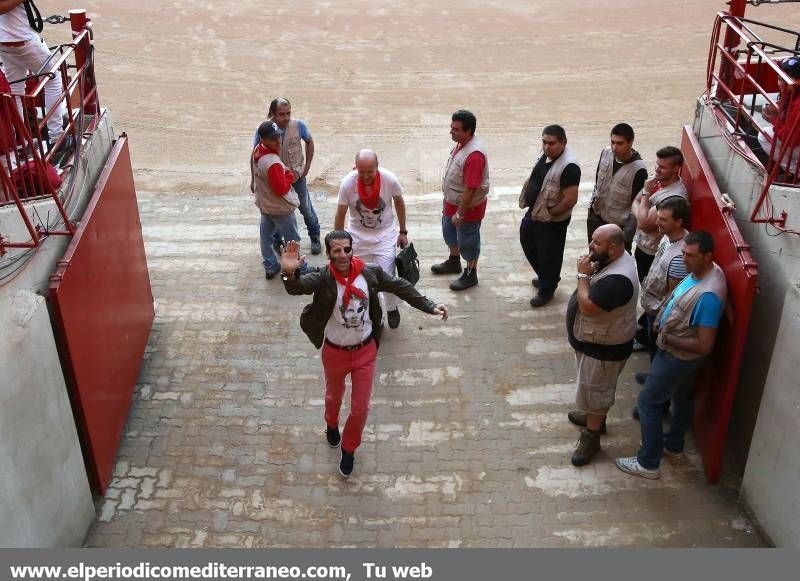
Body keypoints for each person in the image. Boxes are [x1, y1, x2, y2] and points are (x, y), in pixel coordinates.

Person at [280, 232, 448, 477]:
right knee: (333, 397)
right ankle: (331, 422)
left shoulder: (369, 273)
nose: (342, 255)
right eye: (336, 251)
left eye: (346, 249)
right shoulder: (322, 277)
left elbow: (400, 286)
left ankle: (348, 450)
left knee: (360, 409)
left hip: (365, 352)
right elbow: (297, 288)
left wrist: (430, 305)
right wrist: (289, 273)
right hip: (335, 352)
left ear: (352, 250)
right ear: (328, 254)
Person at [616, 230, 727, 479]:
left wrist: (666, 338)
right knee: (682, 396)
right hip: (679, 355)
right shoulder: (704, 271)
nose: (684, 259)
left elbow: (704, 344)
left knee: (648, 402)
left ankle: (648, 463)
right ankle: (674, 445)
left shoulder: (708, 296)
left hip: (677, 356)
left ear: (708, 256)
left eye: (691, 255)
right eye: (684, 253)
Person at [565, 224, 639, 467]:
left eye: (596, 243)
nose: (590, 247)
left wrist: (583, 275)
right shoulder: (616, 259)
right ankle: (593, 417)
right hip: (595, 342)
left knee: (596, 391)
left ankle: (592, 435)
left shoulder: (618, 281)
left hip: (604, 349)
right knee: (593, 389)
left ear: (614, 247)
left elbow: (588, 307)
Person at [334, 149, 408, 329]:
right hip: (357, 239)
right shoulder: (347, 184)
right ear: (355, 168)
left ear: (377, 167)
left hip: (384, 237)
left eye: (370, 171)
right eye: (361, 171)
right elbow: (341, 213)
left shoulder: (389, 180)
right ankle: (376, 313)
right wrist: (337, 244)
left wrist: (403, 231)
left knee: (387, 276)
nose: (366, 176)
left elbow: (399, 202)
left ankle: (391, 308)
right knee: (361, 279)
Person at [630, 146, 688, 350]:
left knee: (652, 294)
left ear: (676, 169)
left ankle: (647, 338)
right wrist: (641, 210)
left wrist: (645, 195)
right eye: (657, 165)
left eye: (662, 167)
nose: (657, 170)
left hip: (652, 252)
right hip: (644, 247)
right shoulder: (658, 183)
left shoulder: (672, 196)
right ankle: (643, 332)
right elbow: (634, 204)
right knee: (647, 288)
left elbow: (644, 222)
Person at [518, 124, 581, 307]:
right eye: (544, 142)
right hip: (536, 212)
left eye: (551, 143)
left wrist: (551, 213)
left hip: (551, 220)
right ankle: (548, 275)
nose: (546, 147)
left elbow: (570, 199)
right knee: (527, 240)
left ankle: (547, 287)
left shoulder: (569, 166)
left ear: (563, 142)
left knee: (549, 254)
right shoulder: (547, 155)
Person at [251, 97, 321, 255]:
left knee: (306, 209)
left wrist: (307, 166)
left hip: (296, 178)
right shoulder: (263, 130)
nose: (286, 117)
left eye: (288, 113)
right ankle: (278, 242)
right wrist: (253, 180)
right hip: (274, 184)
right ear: (272, 114)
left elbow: (309, 141)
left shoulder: (298, 125)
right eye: (281, 114)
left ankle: (315, 236)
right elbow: (255, 153)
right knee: (275, 212)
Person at [430, 109, 489, 291]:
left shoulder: (475, 155)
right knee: (450, 233)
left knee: (468, 241)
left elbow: (472, 189)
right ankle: (454, 261)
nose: (451, 132)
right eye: (451, 127)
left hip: (467, 208)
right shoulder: (462, 144)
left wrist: (460, 213)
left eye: (456, 129)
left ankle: (471, 273)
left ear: (469, 131)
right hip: (452, 203)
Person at [0, 0, 68, 151]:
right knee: (52, 78)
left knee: (16, 90)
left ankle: (21, 144)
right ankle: (56, 136)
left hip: (4, 42)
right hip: (22, 40)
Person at [636, 197, 690, 375]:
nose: (657, 223)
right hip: (652, 307)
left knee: (658, 349)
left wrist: (660, 322)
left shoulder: (679, 258)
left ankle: (655, 379)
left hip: (658, 312)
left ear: (679, 222)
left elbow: (672, 295)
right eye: (658, 217)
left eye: (663, 219)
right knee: (653, 348)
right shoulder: (668, 238)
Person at [250, 120, 301, 279]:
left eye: (278, 136)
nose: (278, 140)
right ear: (263, 139)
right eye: (273, 138)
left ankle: (270, 266)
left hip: (265, 205)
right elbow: (282, 189)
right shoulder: (272, 162)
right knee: (292, 239)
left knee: (266, 238)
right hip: (280, 208)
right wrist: (289, 175)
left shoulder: (257, 151)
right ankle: (299, 266)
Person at [587, 123, 648, 252]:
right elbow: (597, 183)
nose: (614, 147)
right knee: (594, 257)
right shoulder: (605, 152)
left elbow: (636, 204)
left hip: (617, 228)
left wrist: (626, 237)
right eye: (612, 142)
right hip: (596, 219)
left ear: (630, 142)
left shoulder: (639, 170)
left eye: (620, 143)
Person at [758, 55, 800, 177]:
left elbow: (790, 140)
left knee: (764, 135)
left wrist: (774, 120)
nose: (780, 83)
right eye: (779, 78)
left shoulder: (797, 104)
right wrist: (777, 110)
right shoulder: (792, 94)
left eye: (784, 80)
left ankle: (795, 172)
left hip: (795, 142)